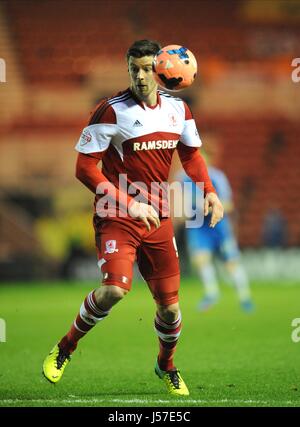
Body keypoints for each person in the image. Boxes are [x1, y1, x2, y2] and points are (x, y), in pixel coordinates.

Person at [42, 40, 224, 396]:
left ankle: (165, 366)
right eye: (133, 69)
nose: (140, 76)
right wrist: (129, 202)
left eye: (145, 68)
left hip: (158, 218)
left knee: (170, 310)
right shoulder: (110, 111)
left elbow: (192, 157)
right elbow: (84, 168)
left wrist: (210, 193)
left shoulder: (179, 111)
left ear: (159, 69)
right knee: (114, 290)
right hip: (116, 215)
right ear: (128, 70)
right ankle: (65, 349)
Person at [178, 144, 254, 312]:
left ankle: (244, 297)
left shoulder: (217, 177)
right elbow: (180, 207)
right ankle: (211, 294)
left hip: (218, 225)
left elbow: (228, 205)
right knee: (200, 260)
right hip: (197, 226)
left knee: (231, 262)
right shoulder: (182, 179)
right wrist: (184, 211)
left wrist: (207, 208)